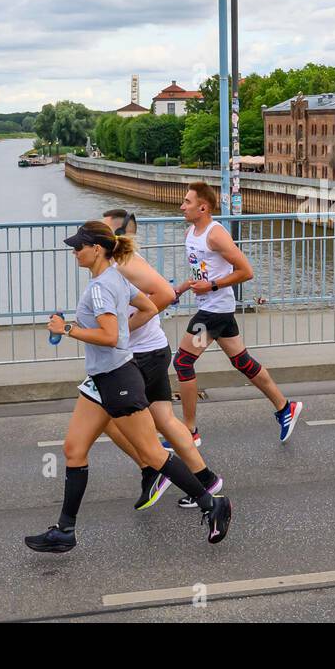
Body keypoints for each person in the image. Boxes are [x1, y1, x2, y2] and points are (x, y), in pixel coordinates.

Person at [25, 221, 230, 553]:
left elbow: (109, 336)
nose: (74, 251)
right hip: (101, 379)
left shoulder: (100, 287)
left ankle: (211, 503)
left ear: (97, 249)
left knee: (152, 454)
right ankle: (65, 531)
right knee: (73, 449)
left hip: (118, 378)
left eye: (79, 246)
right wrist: (119, 332)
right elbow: (149, 308)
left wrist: (68, 330)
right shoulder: (114, 278)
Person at [98, 209, 224, 511]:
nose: (94, 235)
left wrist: (122, 331)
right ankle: (205, 479)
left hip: (141, 355)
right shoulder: (118, 263)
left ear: (116, 236)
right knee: (164, 420)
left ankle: (152, 467)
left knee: (108, 417)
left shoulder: (126, 263)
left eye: (101, 231)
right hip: (149, 351)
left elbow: (164, 294)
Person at [171, 183, 303, 443]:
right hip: (214, 308)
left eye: (187, 202)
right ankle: (284, 407)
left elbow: (246, 271)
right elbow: (203, 270)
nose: (182, 206)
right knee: (242, 362)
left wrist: (212, 285)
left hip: (214, 312)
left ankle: (189, 431)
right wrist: (183, 288)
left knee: (182, 362)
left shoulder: (215, 234)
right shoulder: (190, 232)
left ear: (203, 207)